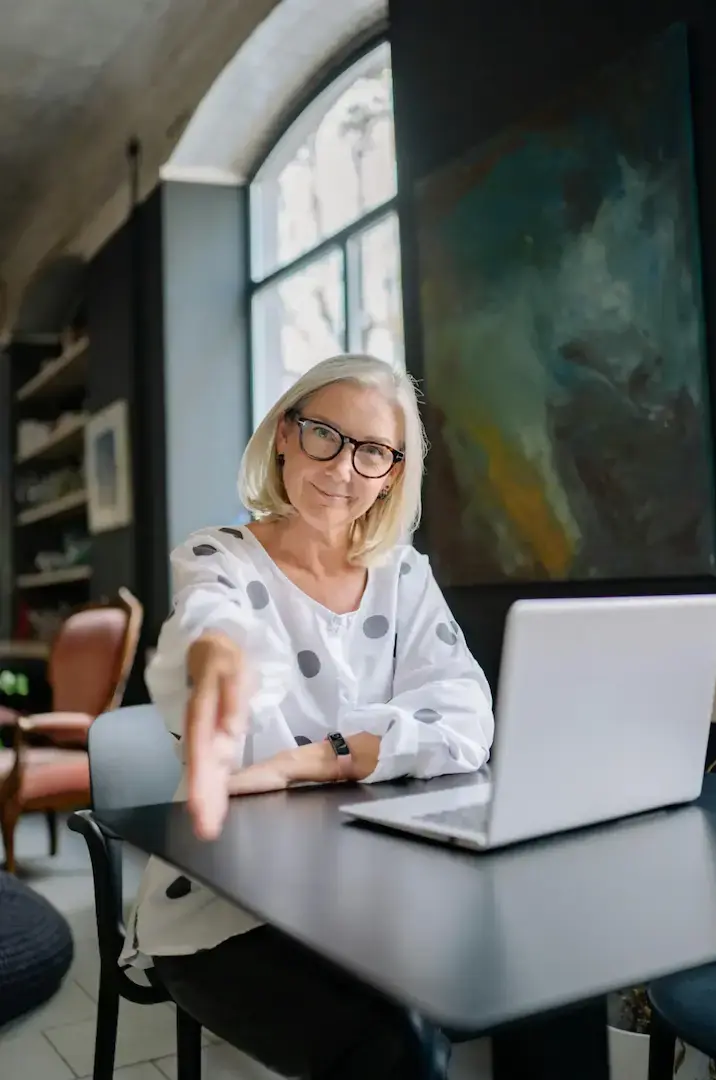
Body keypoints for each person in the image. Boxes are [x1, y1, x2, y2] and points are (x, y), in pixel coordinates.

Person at [120, 353, 494, 1079]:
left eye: (373, 451)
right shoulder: (217, 557)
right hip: (224, 905)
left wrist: (311, 758)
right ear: (285, 435)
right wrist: (217, 658)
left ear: (393, 473)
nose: (345, 468)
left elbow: (466, 718)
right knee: (396, 1054)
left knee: (481, 997)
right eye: (325, 434)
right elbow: (212, 624)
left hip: (377, 886)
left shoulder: (404, 575)